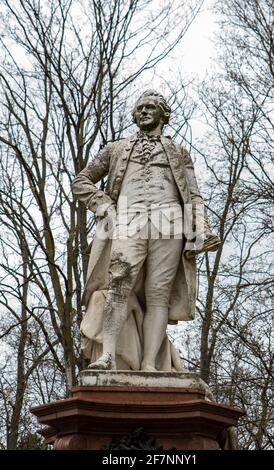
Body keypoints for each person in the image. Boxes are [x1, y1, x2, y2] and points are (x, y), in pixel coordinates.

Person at [72, 90, 220, 372]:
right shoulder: (115, 149)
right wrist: (105, 207)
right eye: (139, 107)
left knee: (158, 294)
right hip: (129, 219)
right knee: (117, 284)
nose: (144, 111)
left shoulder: (178, 153)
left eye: (150, 107)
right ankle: (108, 356)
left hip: (170, 223)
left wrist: (202, 226)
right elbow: (82, 181)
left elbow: (194, 195)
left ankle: (150, 364)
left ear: (163, 114)